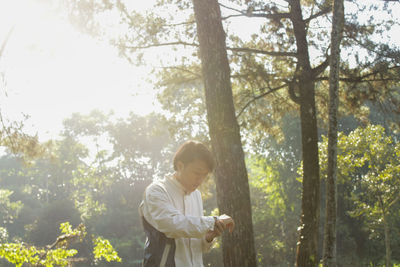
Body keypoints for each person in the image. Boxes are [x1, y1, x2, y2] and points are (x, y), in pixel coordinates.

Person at [139, 140, 235, 267]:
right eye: (196, 173)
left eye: (204, 175)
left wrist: (208, 237)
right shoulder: (156, 191)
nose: (200, 180)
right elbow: (173, 225)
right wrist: (213, 221)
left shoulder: (196, 195)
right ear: (180, 166)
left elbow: (199, 246)